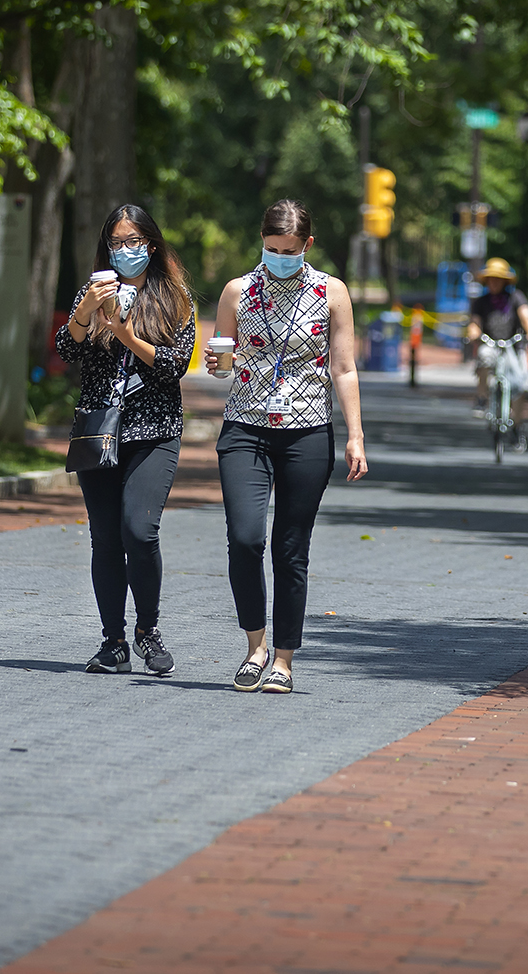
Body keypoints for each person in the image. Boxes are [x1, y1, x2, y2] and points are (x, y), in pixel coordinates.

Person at [204, 200, 368, 694]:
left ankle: (283, 660)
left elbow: (343, 367)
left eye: (289, 250)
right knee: (246, 538)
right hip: (246, 427)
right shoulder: (238, 291)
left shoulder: (331, 292)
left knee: (290, 549)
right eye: (271, 249)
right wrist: (220, 367)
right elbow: (223, 356)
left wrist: (356, 435)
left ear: (307, 246)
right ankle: (254, 646)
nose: (279, 256)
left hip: (307, 430)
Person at [57, 204, 198, 678]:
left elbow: (173, 366)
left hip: (154, 430)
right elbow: (65, 349)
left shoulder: (175, 298)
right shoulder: (93, 293)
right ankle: (113, 641)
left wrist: (126, 334)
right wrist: (84, 312)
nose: (125, 251)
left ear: (150, 245)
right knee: (104, 540)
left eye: (133, 242)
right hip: (100, 432)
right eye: (116, 243)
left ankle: (148, 631)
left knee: (139, 531)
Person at [466, 257, 528, 415]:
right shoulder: (481, 301)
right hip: (491, 344)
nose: (494, 283)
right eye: (491, 279)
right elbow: (475, 322)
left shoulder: (515, 297)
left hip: (513, 346)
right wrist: (474, 332)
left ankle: (517, 426)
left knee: (522, 383)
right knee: (484, 357)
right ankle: (482, 397)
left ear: (505, 281)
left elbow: (526, 317)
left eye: (498, 279)